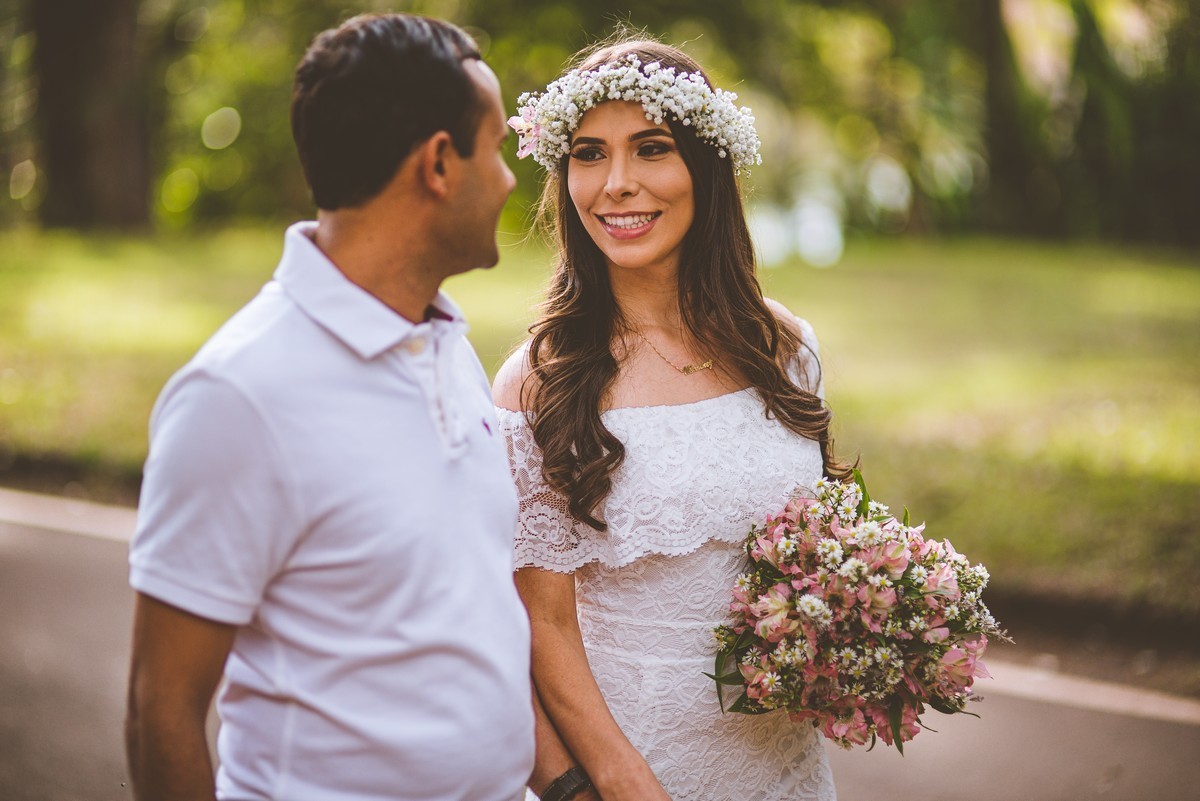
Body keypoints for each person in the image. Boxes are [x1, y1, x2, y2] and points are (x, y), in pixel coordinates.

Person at [124, 13, 534, 801]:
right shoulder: (239, 395)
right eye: (498, 149)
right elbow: (160, 708)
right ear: (440, 164)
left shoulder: (446, 340)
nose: (512, 178)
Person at [494, 38, 851, 801]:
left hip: (786, 767)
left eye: (650, 149)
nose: (616, 185)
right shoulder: (538, 382)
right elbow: (542, 626)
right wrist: (619, 787)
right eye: (589, 154)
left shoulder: (783, 344)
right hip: (636, 769)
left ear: (706, 164)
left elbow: (814, 553)